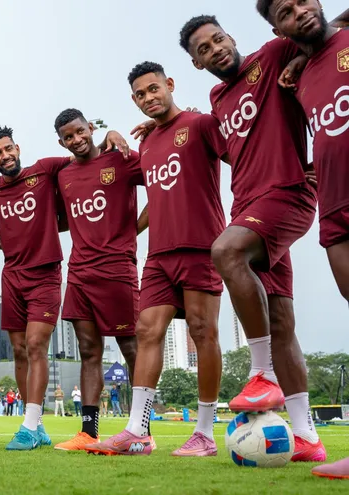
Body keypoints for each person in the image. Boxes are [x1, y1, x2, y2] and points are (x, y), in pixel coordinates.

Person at [176, 13, 337, 462]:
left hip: (287, 195)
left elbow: (323, 33)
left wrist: (301, 63)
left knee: (225, 250)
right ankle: (307, 438)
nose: (216, 50)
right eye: (203, 50)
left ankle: (260, 372)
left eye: (218, 39)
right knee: (283, 323)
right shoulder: (217, 97)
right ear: (196, 63)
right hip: (248, 207)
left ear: (230, 36)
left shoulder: (273, 55)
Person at [87, 61, 228, 457]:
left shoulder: (200, 125)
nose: (149, 98)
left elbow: (239, 153)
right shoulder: (147, 142)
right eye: (141, 94)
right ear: (134, 100)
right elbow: (158, 193)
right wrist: (133, 230)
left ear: (169, 84)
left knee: (203, 333)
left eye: (154, 89)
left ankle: (203, 433)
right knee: (147, 331)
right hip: (158, 256)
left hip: (201, 245)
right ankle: (138, 430)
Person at [0, 125, 128, 450]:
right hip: (11, 276)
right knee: (21, 351)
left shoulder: (46, 168)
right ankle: (36, 426)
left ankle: (26, 427)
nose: (5, 155)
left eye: (8, 148)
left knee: (37, 345)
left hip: (45, 275)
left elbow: (85, 156)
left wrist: (111, 135)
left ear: (18, 147)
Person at [256, 0, 349, 479]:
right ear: (279, 30)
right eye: (286, 13)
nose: (300, 12)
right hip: (334, 208)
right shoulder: (300, 75)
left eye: (303, 1)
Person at [51, 108, 143, 452]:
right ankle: (89, 433)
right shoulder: (64, 175)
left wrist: (134, 228)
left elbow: (165, 185)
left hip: (116, 269)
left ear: (91, 127)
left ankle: (140, 429)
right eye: (68, 137)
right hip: (79, 272)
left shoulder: (120, 160)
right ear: (61, 142)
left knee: (131, 348)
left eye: (80, 132)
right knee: (89, 352)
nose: (76, 140)